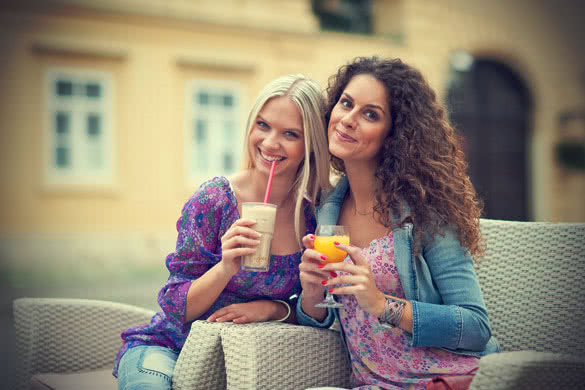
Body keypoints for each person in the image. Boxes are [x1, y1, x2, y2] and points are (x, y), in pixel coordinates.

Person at [114, 74, 331, 390]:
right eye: (262, 125)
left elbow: (317, 317)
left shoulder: (314, 215)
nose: (270, 143)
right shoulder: (214, 199)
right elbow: (177, 307)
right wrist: (226, 266)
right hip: (172, 348)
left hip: (245, 366)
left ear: (310, 145)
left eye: (290, 134)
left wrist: (274, 309)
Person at [297, 56, 500, 390]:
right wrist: (311, 291)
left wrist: (382, 304)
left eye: (370, 114)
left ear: (395, 136)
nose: (348, 119)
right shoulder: (325, 211)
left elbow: (476, 326)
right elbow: (321, 320)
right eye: (346, 103)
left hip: (445, 379)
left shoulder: (425, 212)